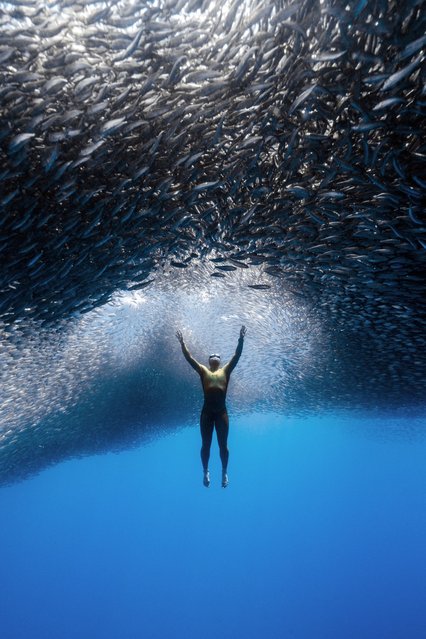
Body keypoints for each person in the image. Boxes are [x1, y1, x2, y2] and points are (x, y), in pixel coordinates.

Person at [176, 326, 246, 488]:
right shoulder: (203, 370)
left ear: (220, 361)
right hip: (207, 413)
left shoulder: (225, 370)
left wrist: (241, 339)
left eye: (217, 356)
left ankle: (224, 471)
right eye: (212, 356)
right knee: (205, 444)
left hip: (221, 413)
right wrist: (182, 343)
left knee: (223, 445)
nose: (215, 356)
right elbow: (189, 358)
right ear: (208, 361)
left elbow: (237, 355)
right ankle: (205, 471)